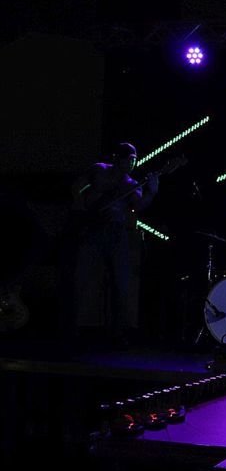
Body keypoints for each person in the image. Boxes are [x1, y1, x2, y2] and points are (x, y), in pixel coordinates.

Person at [63, 143, 158, 346]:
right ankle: (71, 327)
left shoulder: (132, 183)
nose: (132, 164)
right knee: (81, 279)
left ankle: (118, 332)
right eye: (129, 160)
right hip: (91, 230)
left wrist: (152, 191)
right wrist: (81, 208)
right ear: (118, 158)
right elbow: (76, 187)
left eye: (134, 160)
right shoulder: (99, 170)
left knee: (121, 282)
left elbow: (139, 205)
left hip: (116, 233)